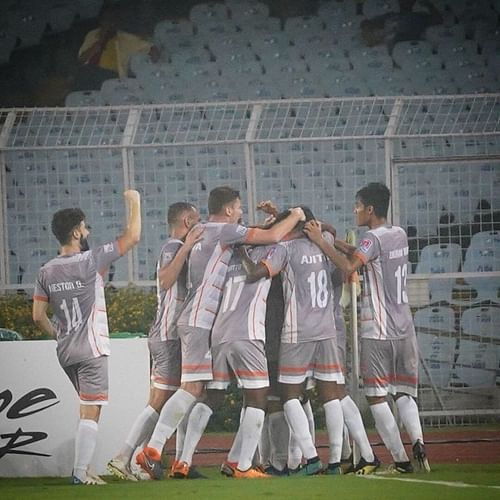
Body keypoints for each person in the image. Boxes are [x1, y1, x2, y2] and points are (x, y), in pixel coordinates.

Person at [135, 186, 306, 479]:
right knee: (194, 390)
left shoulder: (205, 231)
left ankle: (178, 459)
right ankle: (154, 449)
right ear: (228, 210)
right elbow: (272, 237)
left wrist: (271, 220)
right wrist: (295, 215)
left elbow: (252, 233)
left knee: (204, 392)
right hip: (204, 321)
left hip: (207, 324)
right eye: (238, 208)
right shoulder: (228, 234)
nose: (241, 213)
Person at [304, 182, 430, 473]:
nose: (355, 210)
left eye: (358, 206)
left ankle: (400, 459)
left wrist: (322, 243)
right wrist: (334, 241)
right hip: (405, 327)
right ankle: (419, 441)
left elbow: (350, 267)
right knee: (404, 393)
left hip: (378, 329)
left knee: (376, 396)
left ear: (370, 209)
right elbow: (363, 251)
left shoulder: (370, 239)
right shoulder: (398, 234)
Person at [243, 207, 379, 476]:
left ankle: (311, 457)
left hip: (297, 332)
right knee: (333, 396)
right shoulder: (325, 241)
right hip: (327, 329)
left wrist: (244, 249)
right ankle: (339, 461)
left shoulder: (285, 247)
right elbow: (331, 232)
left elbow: (256, 272)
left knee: (289, 395)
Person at [32, 190, 141, 485]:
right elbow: (132, 237)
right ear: (77, 231)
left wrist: (59, 335)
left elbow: (37, 315)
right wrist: (134, 200)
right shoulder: (91, 260)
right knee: (91, 411)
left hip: (66, 350)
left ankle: (85, 469)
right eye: (86, 226)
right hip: (92, 347)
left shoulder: (46, 270)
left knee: (87, 407)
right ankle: (80, 473)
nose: (88, 231)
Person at [107, 202, 203, 481]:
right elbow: (164, 280)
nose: (199, 227)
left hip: (172, 336)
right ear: (186, 221)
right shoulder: (173, 247)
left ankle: (144, 462)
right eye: (196, 221)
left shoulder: (176, 247)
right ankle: (123, 457)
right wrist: (187, 248)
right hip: (168, 336)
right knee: (159, 401)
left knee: (173, 401)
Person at [74, 5, 160, 91]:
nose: (110, 23)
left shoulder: (124, 38)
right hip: (89, 72)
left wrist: (152, 66)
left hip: (111, 77)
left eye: (113, 20)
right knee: (83, 74)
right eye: (107, 19)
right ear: (101, 20)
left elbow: (151, 48)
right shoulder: (92, 35)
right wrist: (96, 45)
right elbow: (81, 60)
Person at [361, 0, 443, 54]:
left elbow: (438, 20)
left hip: (415, 54)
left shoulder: (418, 18)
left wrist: (429, 5)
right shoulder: (388, 17)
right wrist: (385, 31)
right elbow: (365, 27)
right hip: (392, 57)